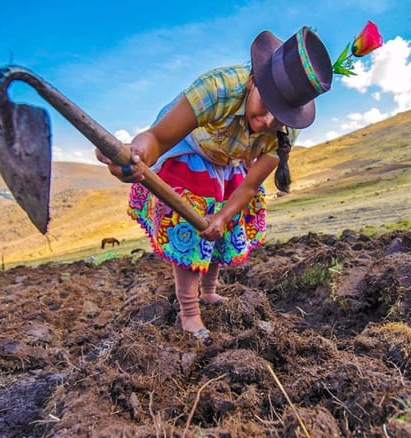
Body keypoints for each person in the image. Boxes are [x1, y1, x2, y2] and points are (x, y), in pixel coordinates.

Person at [96, 27, 334, 344]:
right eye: (266, 108)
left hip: (231, 165)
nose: (267, 123)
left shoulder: (285, 130)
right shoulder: (218, 88)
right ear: (253, 81)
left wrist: (222, 217)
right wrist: (137, 156)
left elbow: (249, 187)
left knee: (220, 229)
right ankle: (189, 311)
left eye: (279, 119)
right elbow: (158, 138)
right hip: (191, 152)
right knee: (191, 231)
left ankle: (209, 292)